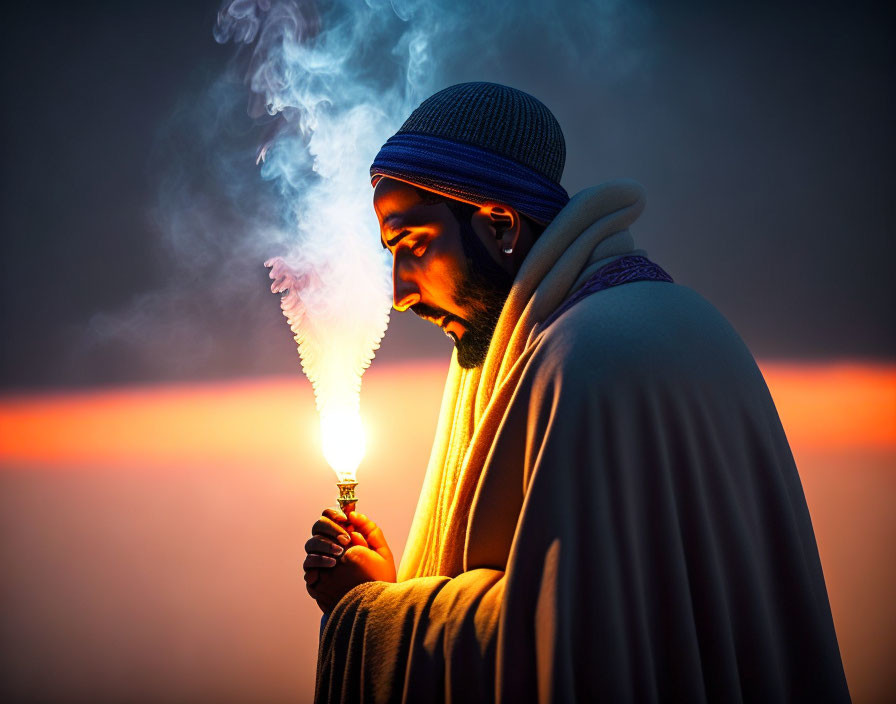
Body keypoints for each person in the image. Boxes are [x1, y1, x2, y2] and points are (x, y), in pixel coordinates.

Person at [302, 82, 850, 703]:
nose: (399, 291)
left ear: (501, 225)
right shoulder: (665, 322)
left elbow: (567, 659)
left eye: (413, 244)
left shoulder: (587, 359)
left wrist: (367, 609)